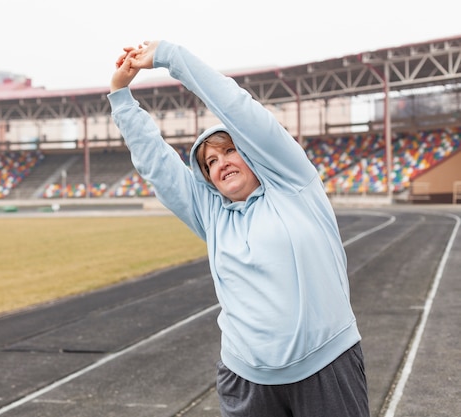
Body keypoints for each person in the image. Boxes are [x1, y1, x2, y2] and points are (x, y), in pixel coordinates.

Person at [108, 40, 370, 417]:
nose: (220, 162)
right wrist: (120, 95)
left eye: (229, 150)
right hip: (246, 382)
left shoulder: (293, 183)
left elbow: (238, 110)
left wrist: (169, 56)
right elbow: (158, 166)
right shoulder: (213, 216)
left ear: (251, 153)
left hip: (325, 368)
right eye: (210, 161)